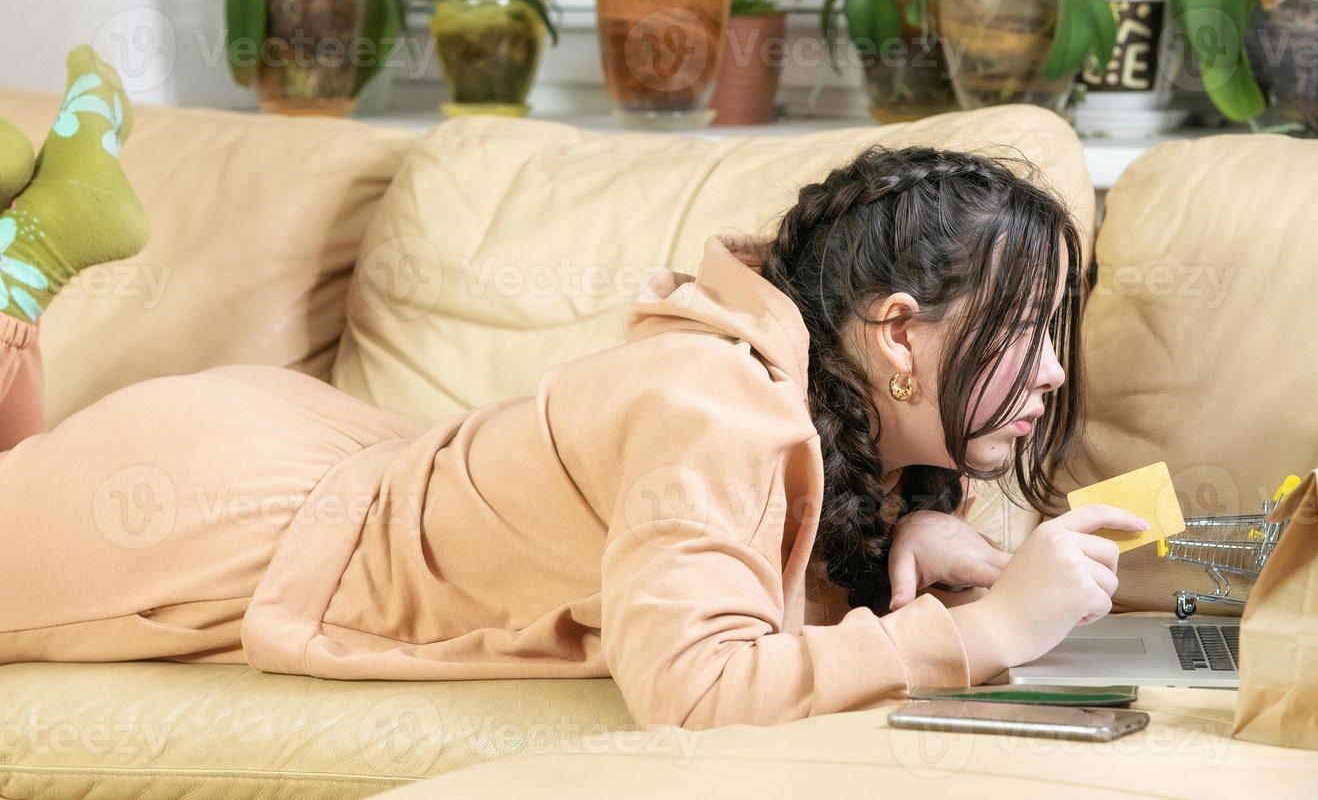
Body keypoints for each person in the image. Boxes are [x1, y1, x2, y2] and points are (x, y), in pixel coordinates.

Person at [0, 47, 1145, 730]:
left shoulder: (799, 403)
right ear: (896, 335)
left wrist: (910, 529)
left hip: (304, 452)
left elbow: (740, 583)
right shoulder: (720, 408)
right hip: (227, 515)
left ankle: (29, 251)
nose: (1051, 370)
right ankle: (26, 268)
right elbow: (693, 687)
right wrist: (992, 627)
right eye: (1025, 332)